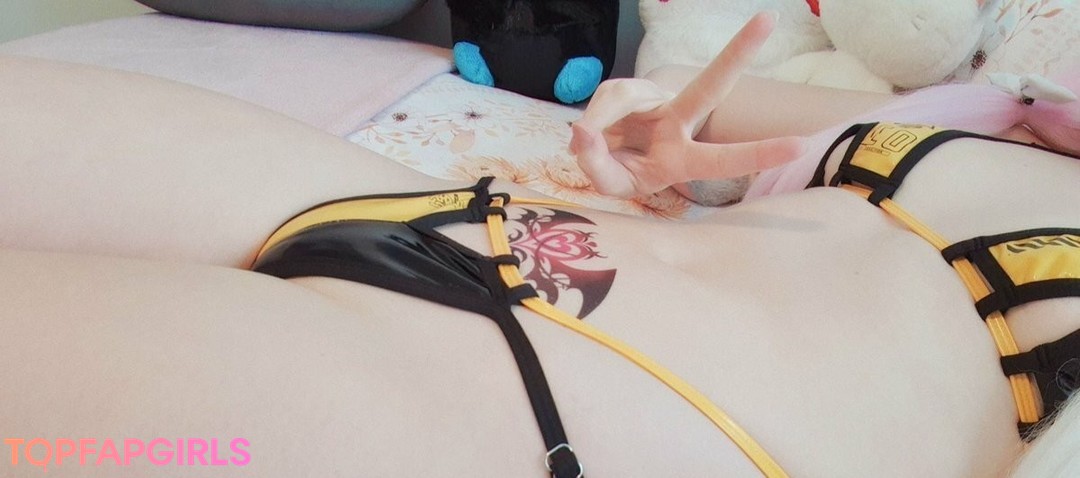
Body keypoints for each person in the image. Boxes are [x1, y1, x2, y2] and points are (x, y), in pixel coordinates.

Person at [0, 12, 1077, 478]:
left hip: (591, 419)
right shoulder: (1007, 115)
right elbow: (688, 103)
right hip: (470, 222)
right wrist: (647, 135)